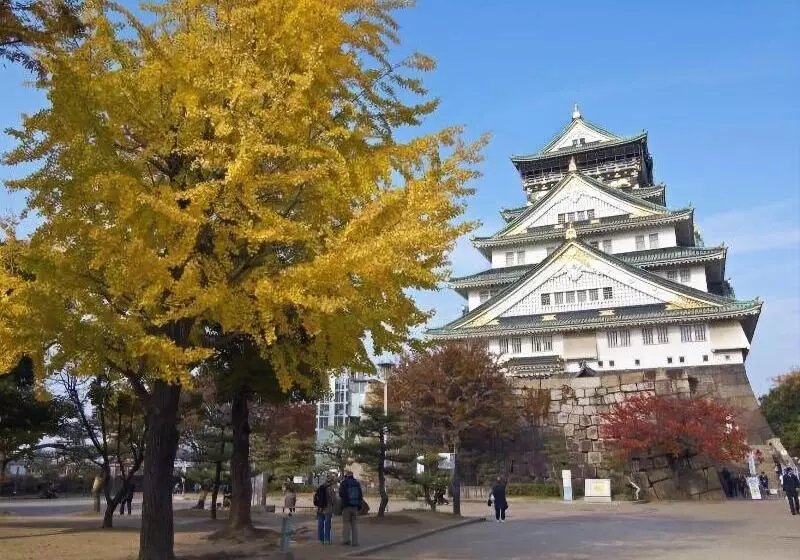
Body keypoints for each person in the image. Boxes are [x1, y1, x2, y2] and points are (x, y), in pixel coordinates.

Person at [339, 471, 363, 546]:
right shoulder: (357, 483)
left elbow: (341, 494)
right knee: (354, 525)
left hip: (346, 507)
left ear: (346, 476)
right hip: (355, 506)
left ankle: (346, 540)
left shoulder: (344, 483)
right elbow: (360, 495)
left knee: (346, 524)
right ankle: (355, 542)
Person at [314, 473, 337, 544]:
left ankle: (320, 539)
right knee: (327, 525)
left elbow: (315, 498)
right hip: (328, 509)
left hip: (320, 508)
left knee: (320, 524)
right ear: (332, 481)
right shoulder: (330, 489)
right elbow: (334, 500)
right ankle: (327, 539)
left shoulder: (320, 487)